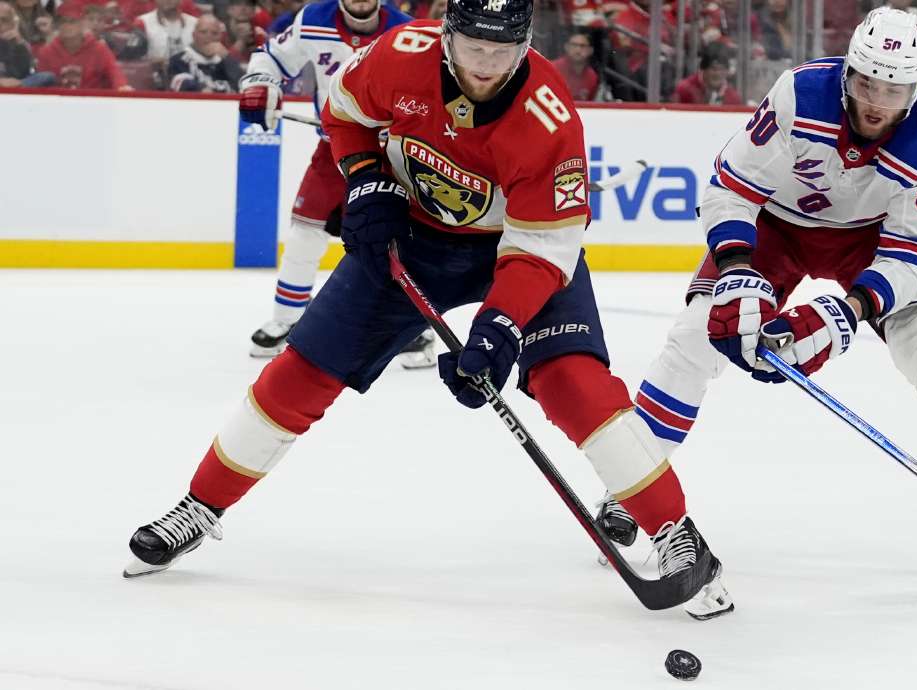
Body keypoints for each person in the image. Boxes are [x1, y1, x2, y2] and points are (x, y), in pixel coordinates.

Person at [125, 0, 732, 621]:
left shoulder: (548, 118)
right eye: (474, 48)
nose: (487, 65)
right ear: (446, 35)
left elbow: (542, 248)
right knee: (301, 372)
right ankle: (199, 506)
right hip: (411, 239)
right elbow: (344, 114)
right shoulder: (398, 56)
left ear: (525, 45)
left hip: (515, 251)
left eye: (503, 51)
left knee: (574, 385)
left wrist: (497, 329)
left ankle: (677, 536)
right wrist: (364, 179)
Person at [602, 7, 917, 573]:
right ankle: (631, 486)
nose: (875, 103)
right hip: (773, 228)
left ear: (915, 88)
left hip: (871, 244)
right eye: (866, 82)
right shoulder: (799, 94)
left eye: (893, 90)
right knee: (693, 340)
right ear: (847, 73)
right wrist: (737, 267)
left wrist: (851, 311)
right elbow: (728, 189)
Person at [238, 0, 436, 368]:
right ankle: (289, 318)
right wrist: (262, 84)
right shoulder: (313, 20)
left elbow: (431, 90)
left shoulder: (407, 31)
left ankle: (411, 329)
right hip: (334, 146)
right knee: (305, 231)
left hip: (389, 153)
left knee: (393, 239)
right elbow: (270, 57)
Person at [36, 8, 133, 90]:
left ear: (82, 23)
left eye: (72, 21)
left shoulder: (99, 49)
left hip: (94, 105)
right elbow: (42, 85)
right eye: (63, 21)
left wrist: (122, 87)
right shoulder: (47, 52)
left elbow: (114, 73)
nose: (67, 26)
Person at [167, 14, 243, 91]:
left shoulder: (226, 61)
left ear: (220, 37)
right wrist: (203, 90)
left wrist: (227, 57)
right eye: (203, 32)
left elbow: (244, 84)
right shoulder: (178, 60)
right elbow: (181, 83)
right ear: (194, 35)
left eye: (214, 33)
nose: (209, 36)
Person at [671, 45, 742, 105]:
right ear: (703, 69)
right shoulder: (684, 90)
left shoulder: (733, 98)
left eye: (722, 69)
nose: (717, 74)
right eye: (713, 69)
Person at [551, 27, 598, 101]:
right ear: (566, 47)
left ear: (590, 50)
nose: (578, 50)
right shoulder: (553, 68)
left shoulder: (592, 76)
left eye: (582, 46)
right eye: (574, 45)